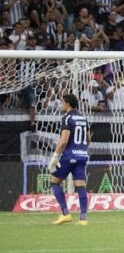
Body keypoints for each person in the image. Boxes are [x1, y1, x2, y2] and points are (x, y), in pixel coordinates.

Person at [47, 94, 90, 226]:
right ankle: (83, 219)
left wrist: (55, 156)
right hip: (82, 156)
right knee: (80, 185)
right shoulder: (83, 118)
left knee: (54, 182)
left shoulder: (66, 119)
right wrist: (81, 150)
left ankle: (65, 214)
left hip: (69, 156)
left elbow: (63, 141)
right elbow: (88, 139)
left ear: (68, 104)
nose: (61, 105)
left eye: (62, 103)